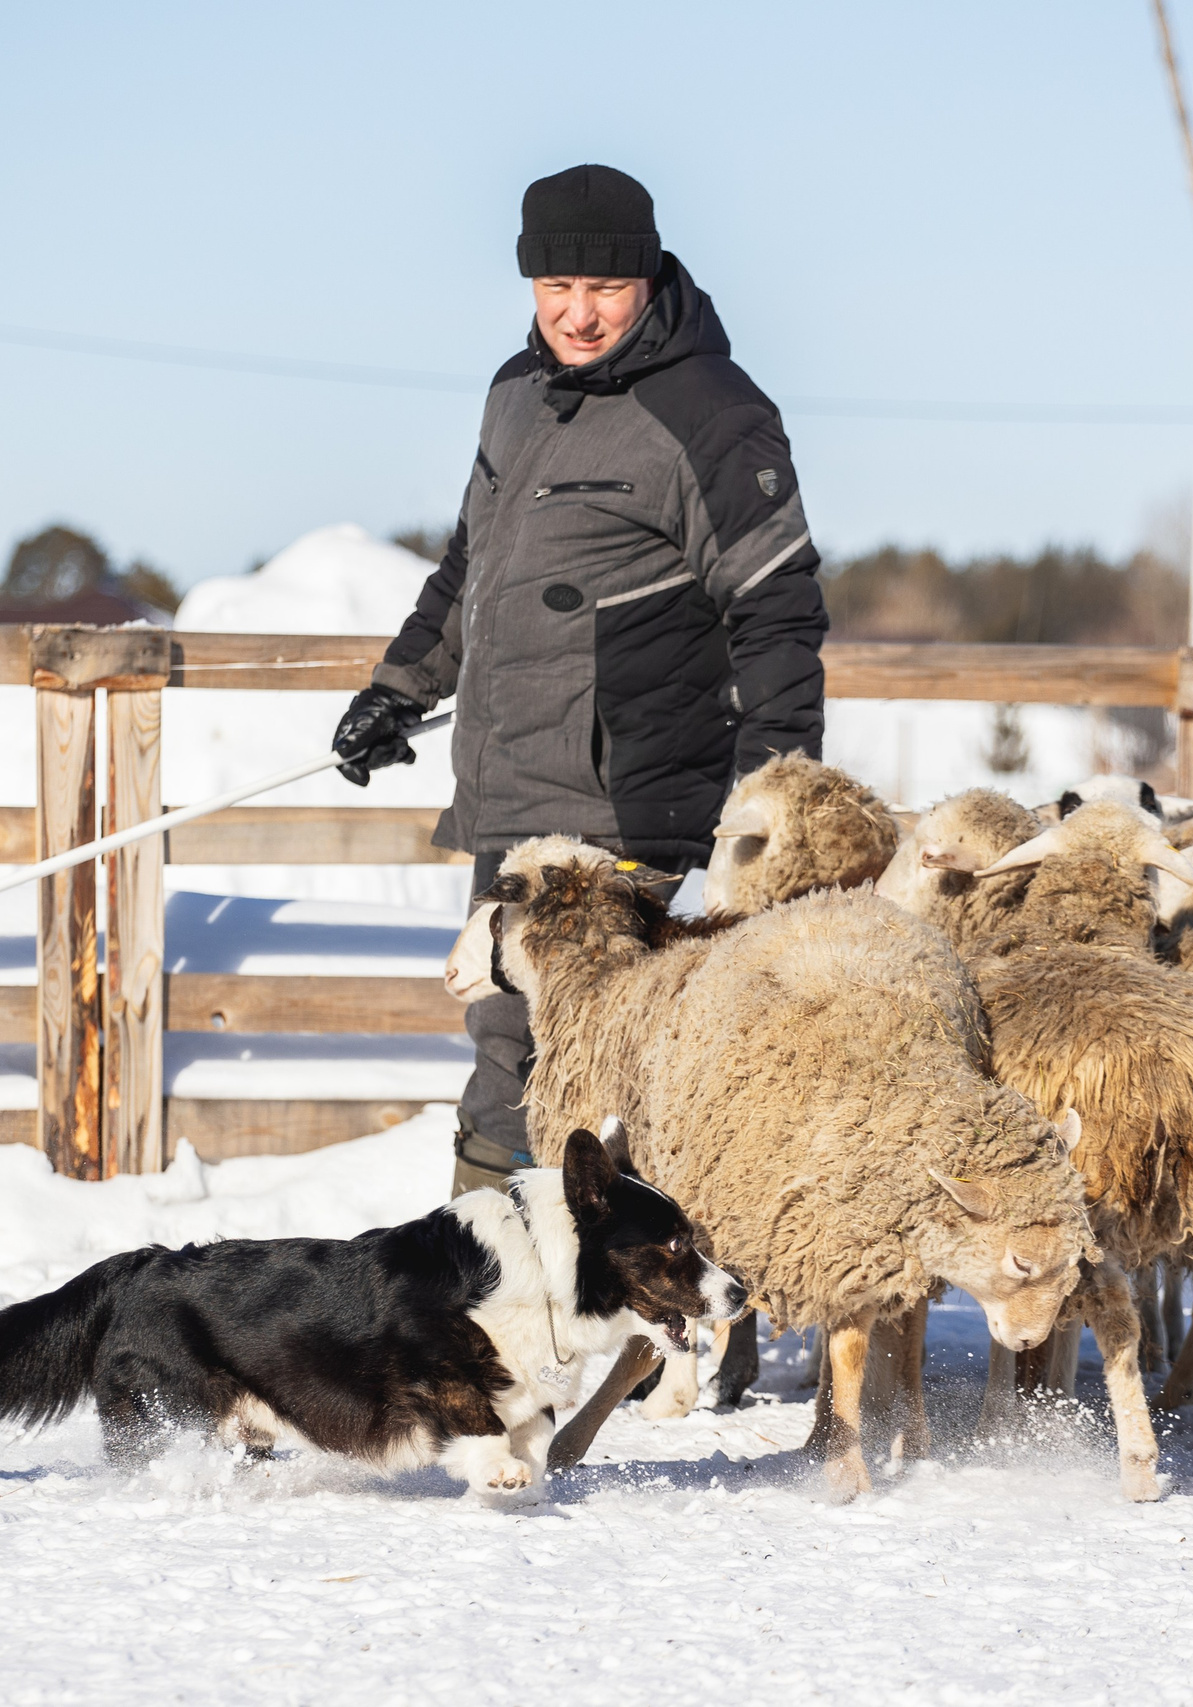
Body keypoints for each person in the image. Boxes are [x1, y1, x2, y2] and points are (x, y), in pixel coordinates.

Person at [332, 162, 827, 1199]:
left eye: (602, 289)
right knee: (504, 1042)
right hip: (512, 792)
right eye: (556, 289)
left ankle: (635, 1317)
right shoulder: (516, 395)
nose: (578, 314)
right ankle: (508, 1306)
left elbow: (776, 616)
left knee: (602, 1060)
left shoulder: (715, 414)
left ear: (646, 280)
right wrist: (399, 689)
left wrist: (770, 812)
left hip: (626, 801)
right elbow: (471, 568)